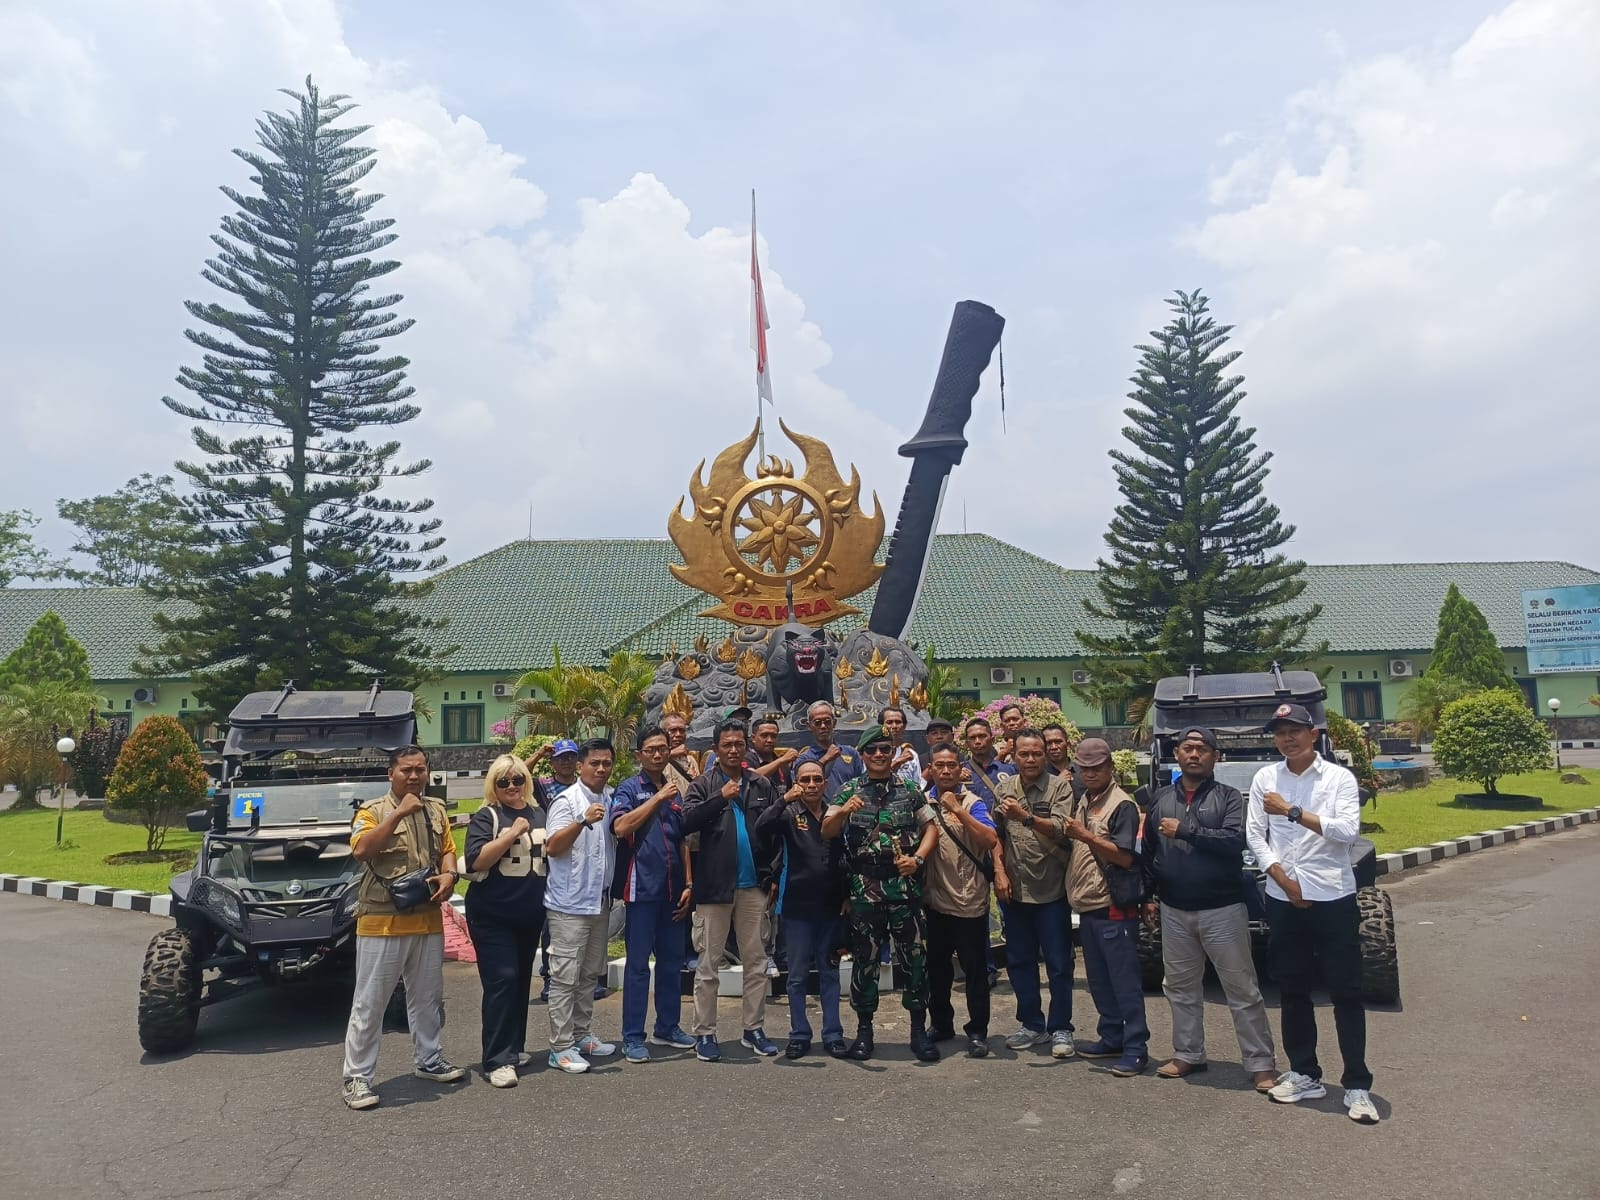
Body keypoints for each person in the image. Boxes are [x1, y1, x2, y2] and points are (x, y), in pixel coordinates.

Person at [1246, 703, 1379, 1124]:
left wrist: (1291, 811)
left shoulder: (1338, 778)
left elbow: (1346, 832)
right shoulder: (1265, 778)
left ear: (1313, 734)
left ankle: (1357, 1084)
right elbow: (1255, 835)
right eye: (1279, 732)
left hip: (1332, 896)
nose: (1287, 738)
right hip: (1283, 896)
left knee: (1345, 991)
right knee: (1292, 988)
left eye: (1294, 731)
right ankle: (1305, 1073)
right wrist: (1282, 880)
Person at [1143, 727, 1277, 1091]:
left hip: (1222, 909)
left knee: (1242, 989)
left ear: (1215, 757)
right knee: (1180, 987)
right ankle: (1188, 1054)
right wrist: (1148, 896)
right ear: (1177, 754)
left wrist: (1186, 831)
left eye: (1202, 749)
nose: (1194, 754)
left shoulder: (1229, 797)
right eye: (1187, 748)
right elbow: (1151, 851)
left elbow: (1235, 841)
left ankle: (1261, 1063)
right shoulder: (1159, 798)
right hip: (1174, 909)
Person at [339, 746, 465, 1110]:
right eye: (406, 770)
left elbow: (447, 848)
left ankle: (429, 1059)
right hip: (382, 921)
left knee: (427, 998)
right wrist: (398, 814)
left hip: (427, 918)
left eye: (420, 769)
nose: (414, 776)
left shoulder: (436, 809)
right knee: (370, 1003)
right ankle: (357, 1078)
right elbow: (362, 850)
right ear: (390, 773)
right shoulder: (371, 811)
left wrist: (450, 874)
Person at [822, 724, 941, 1062]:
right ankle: (864, 1032)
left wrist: (918, 859)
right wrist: (844, 811)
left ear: (892, 753)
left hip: (904, 889)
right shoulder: (848, 790)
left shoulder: (909, 790)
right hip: (865, 890)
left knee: (914, 960)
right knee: (866, 961)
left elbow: (931, 828)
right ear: (862, 755)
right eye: (872, 750)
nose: (878, 755)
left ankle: (918, 1031)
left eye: (885, 749)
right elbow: (827, 830)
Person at [682, 720, 782, 1061]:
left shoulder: (761, 784)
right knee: (708, 965)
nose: (734, 749)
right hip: (714, 888)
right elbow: (686, 823)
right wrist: (719, 798)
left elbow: (775, 830)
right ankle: (704, 1033)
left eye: (739, 743)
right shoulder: (702, 785)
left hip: (754, 887)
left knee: (756, 962)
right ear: (716, 749)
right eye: (727, 744)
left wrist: (772, 875)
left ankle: (753, 1029)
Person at [1063, 737, 1150, 1077]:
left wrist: (1085, 835)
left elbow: (1125, 857)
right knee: (1099, 981)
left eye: (1097, 768)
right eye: (1084, 768)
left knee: (1124, 982)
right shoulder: (1086, 799)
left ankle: (1136, 1048)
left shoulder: (1121, 804)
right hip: (1088, 906)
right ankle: (1112, 1036)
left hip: (1114, 906)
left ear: (1110, 767)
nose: (1090, 773)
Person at [611, 726, 695, 1063]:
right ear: (639, 755)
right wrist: (657, 799)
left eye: (663, 748)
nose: (658, 754)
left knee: (671, 963)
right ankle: (633, 1036)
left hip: (673, 891)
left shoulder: (675, 790)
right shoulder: (630, 788)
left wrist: (689, 884)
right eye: (651, 750)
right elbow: (621, 827)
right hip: (641, 889)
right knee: (638, 966)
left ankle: (668, 1026)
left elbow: (683, 839)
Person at [463, 753, 548, 1089]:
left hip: (529, 913)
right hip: (492, 915)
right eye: (503, 781)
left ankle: (514, 1047)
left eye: (518, 779)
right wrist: (511, 833)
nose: (512, 786)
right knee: (503, 979)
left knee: (521, 980)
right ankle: (497, 1060)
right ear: (493, 785)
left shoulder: (539, 812)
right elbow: (476, 860)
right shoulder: (488, 816)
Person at [989, 729, 1076, 1058]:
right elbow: (997, 834)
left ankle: (1061, 1027)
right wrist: (999, 871)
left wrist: (1025, 817)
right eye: (1024, 754)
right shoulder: (1003, 788)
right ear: (1014, 756)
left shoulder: (1059, 787)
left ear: (1045, 754)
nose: (1030, 759)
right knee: (1019, 961)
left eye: (1037, 753)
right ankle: (1032, 1024)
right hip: (1015, 890)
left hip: (1051, 889)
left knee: (1058, 963)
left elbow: (1061, 828)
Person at [755, 758, 847, 1059]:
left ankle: (833, 1034)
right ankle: (799, 1034)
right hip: (796, 908)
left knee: (830, 973)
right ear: (796, 783)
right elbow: (762, 826)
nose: (811, 785)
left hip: (831, 908)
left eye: (817, 779)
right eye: (805, 779)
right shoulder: (789, 813)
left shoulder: (835, 812)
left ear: (825, 783)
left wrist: (847, 896)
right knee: (796, 976)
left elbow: (845, 855)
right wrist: (784, 799)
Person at [542, 738, 620, 1074]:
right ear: (580, 766)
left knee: (590, 973)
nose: (601, 769)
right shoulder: (566, 800)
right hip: (569, 905)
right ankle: (559, 1047)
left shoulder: (611, 797)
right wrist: (582, 820)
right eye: (594, 763)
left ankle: (581, 1034)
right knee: (565, 977)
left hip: (599, 901)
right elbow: (552, 847)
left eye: (606, 763)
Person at [922, 744, 999, 1058]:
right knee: (937, 971)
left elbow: (990, 839)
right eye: (939, 765)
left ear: (959, 769)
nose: (945, 771)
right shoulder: (922, 802)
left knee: (975, 973)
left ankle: (978, 1031)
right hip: (934, 902)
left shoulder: (973, 802)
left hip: (969, 902)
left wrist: (958, 810)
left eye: (951, 765)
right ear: (930, 769)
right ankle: (941, 1024)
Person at [528, 738, 582, 1004]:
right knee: (552, 921)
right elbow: (518, 774)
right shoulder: (543, 786)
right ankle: (550, 976)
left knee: (580, 921)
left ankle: (582, 978)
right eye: (561, 758)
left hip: (580, 858)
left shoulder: (584, 787)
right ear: (552, 762)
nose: (566, 762)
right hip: (551, 858)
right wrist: (539, 753)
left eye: (571, 757)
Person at [794, 701, 863, 800]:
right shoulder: (803, 759)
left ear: (834, 723)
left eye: (827, 721)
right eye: (817, 723)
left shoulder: (851, 753)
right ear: (809, 726)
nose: (823, 726)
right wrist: (826, 759)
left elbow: (861, 785)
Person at [961, 716, 1016, 806]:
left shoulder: (1009, 770)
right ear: (967, 743)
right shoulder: (960, 773)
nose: (977, 741)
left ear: (992, 740)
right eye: (972, 738)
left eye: (982, 736)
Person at [879, 705, 922, 790]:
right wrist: (897, 762)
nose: (894, 726)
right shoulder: (872, 753)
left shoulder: (911, 755)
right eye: (889, 722)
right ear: (881, 726)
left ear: (904, 726)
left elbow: (917, 785)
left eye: (898, 722)